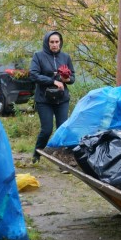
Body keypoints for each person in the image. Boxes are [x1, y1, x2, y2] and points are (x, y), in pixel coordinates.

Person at [30, 30, 75, 163]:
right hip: (44, 99)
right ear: (47, 42)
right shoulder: (38, 56)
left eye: (57, 42)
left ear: (60, 43)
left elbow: (73, 77)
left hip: (61, 99)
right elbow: (33, 75)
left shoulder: (65, 57)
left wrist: (66, 79)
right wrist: (53, 80)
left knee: (62, 129)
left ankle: (62, 160)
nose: (55, 44)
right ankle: (37, 155)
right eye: (52, 42)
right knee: (47, 129)